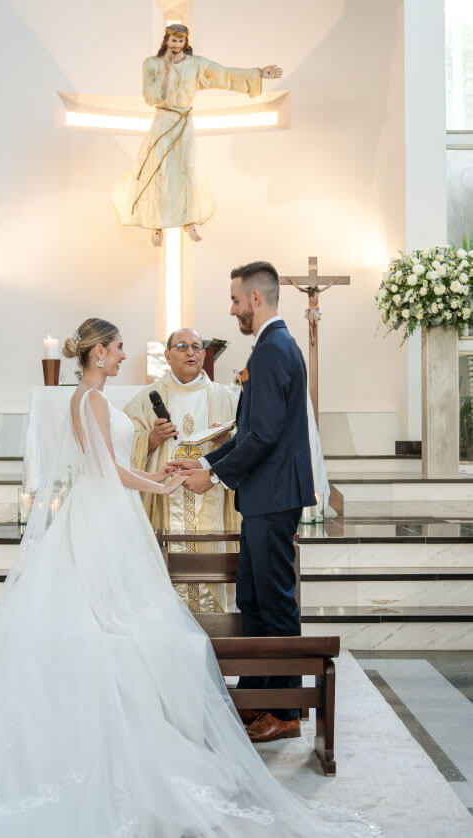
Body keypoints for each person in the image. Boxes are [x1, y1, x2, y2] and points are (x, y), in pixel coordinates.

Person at [0, 317, 368, 836]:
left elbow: (109, 466)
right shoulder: (92, 400)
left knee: (120, 619)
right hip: (104, 513)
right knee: (121, 624)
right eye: (118, 348)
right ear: (99, 353)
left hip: (103, 511)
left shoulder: (87, 398)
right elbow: (107, 469)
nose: (123, 354)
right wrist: (161, 486)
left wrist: (159, 475)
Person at [172, 262, 315, 744]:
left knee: (275, 603)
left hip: (272, 497)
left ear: (256, 298)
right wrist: (204, 463)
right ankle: (257, 695)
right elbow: (249, 432)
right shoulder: (271, 346)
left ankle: (286, 711)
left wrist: (212, 476)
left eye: (236, 300)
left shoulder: (274, 349)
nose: (232, 310)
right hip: (263, 496)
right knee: (253, 599)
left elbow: (265, 435)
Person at [112, 24, 282, 246]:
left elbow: (224, 74)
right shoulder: (152, 64)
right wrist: (166, 72)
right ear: (166, 41)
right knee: (158, 169)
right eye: (173, 40)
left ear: (185, 43)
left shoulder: (196, 64)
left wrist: (258, 73)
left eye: (180, 41)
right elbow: (149, 97)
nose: (176, 44)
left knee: (187, 168)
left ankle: (188, 220)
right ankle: (156, 223)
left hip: (184, 122)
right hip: (163, 120)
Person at [124, 328, 239, 612]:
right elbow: (120, 446)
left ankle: (216, 625)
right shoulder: (146, 399)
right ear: (167, 355)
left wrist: (226, 441)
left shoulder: (225, 397)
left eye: (196, 347)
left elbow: (248, 445)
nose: (191, 352)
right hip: (165, 499)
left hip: (211, 493)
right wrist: (152, 439)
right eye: (182, 346)